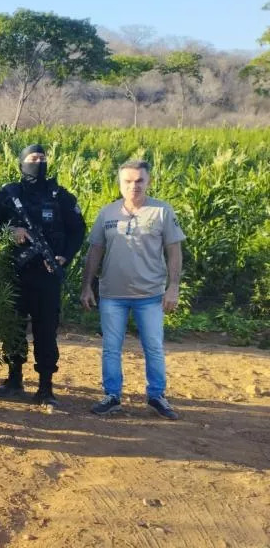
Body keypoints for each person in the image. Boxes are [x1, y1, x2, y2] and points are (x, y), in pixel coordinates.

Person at [81, 159, 185, 420]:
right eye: (128, 181)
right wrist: (86, 286)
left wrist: (173, 287)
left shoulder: (162, 211)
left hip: (150, 295)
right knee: (111, 348)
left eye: (139, 180)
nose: (134, 186)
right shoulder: (107, 213)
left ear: (148, 181)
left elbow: (174, 251)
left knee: (153, 347)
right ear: (119, 183)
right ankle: (112, 396)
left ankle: (156, 396)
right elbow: (95, 251)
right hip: (112, 295)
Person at [0, 144, 86, 406]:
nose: (38, 162)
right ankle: (14, 378)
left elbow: (77, 230)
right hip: (13, 274)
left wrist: (64, 256)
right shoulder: (9, 194)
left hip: (47, 276)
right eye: (33, 158)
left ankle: (45, 387)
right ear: (21, 163)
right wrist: (10, 232)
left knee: (46, 331)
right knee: (13, 328)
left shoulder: (60, 196)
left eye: (42, 158)